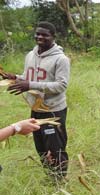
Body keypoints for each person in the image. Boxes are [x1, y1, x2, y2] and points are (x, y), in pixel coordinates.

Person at [4, 21, 70, 181]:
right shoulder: (30, 55)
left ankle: (60, 181)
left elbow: (61, 85)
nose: (40, 37)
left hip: (52, 110)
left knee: (55, 148)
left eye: (45, 35)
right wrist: (16, 78)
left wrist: (29, 85)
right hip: (36, 109)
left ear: (53, 37)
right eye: (38, 34)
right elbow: (29, 77)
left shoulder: (61, 59)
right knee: (40, 147)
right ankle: (50, 177)